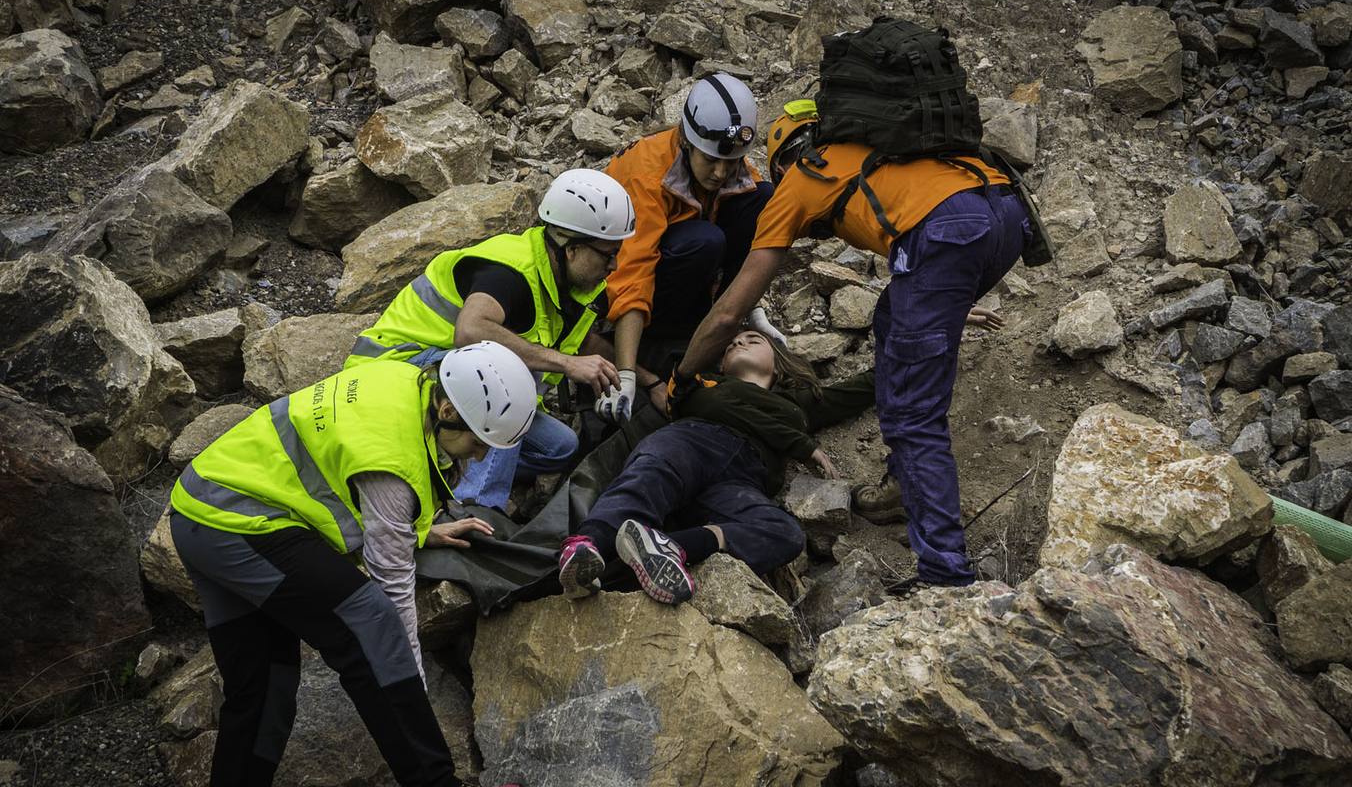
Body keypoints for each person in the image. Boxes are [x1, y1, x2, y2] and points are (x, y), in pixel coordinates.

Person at [168, 342, 536, 787]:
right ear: (449, 410)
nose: (480, 456)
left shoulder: (407, 381)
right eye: (478, 441)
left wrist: (416, 530)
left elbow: (364, 487)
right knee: (371, 623)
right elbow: (391, 589)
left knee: (263, 695)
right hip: (239, 523)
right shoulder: (393, 458)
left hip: (202, 508)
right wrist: (409, 688)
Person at [668, 101, 1028, 591]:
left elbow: (731, 312)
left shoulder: (800, 181)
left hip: (946, 234)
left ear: (782, 161)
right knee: (890, 314)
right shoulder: (880, 155)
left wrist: (684, 374)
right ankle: (903, 483)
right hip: (1005, 210)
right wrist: (940, 305)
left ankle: (945, 574)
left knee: (914, 416)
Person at [345, 168, 660, 511]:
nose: (614, 265)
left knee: (560, 447)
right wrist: (567, 364)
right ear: (571, 248)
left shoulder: (578, 286)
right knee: (506, 379)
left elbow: (584, 345)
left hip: (450, 386)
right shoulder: (510, 272)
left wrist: (638, 379)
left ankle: (443, 465)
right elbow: (470, 331)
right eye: (607, 254)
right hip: (394, 367)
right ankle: (471, 507)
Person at [557, 330, 875, 603]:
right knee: (650, 474)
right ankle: (587, 548)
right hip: (692, 442)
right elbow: (714, 406)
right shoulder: (706, 384)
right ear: (722, 364)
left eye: (753, 340)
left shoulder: (799, 402)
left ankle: (670, 548)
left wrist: (903, 347)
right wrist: (800, 444)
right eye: (731, 344)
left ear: (778, 363)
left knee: (784, 532)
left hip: (743, 481)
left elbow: (863, 388)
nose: (739, 343)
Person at [597, 72, 785, 423]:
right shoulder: (647, 176)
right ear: (686, 140)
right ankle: (668, 334)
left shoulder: (730, 163)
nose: (721, 173)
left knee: (761, 198)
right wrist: (627, 373)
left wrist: (752, 308)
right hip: (623, 283)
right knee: (704, 241)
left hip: (689, 266)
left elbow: (755, 232)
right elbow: (632, 273)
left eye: (731, 161)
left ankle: (723, 316)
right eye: (711, 160)